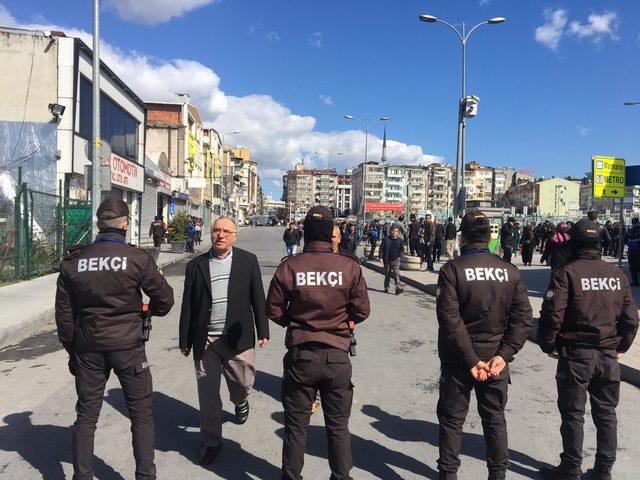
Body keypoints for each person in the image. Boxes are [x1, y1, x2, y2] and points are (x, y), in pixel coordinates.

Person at [55, 198, 175, 480]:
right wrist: (148, 315)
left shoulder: (74, 261)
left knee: (86, 416)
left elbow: (64, 316)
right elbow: (165, 300)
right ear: (125, 224)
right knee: (141, 416)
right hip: (128, 348)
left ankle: (81, 476)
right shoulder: (137, 258)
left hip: (88, 348)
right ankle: (145, 476)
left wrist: (74, 350)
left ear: (98, 224)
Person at [266, 206, 371, 480]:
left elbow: (274, 310)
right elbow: (362, 310)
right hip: (337, 356)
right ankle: (341, 476)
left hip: (301, 355)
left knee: (296, 425)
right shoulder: (349, 266)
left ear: (305, 232)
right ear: (330, 234)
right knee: (338, 426)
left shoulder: (289, 266)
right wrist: (344, 322)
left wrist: (295, 320)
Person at [537, 219, 639, 480]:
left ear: (574, 243)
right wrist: (621, 347)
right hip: (607, 355)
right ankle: (604, 470)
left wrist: (549, 345)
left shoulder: (567, 273)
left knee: (573, 414)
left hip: (576, 356)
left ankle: (571, 469)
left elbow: (552, 315)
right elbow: (631, 319)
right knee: (606, 414)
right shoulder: (617, 274)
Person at [435, 211, 533, 480]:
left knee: (453, 420)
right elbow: (524, 318)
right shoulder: (509, 271)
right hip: (494, 361)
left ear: (462, 237)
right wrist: (505, 354)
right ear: (490, 237)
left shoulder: (452, 270)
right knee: (494, 418)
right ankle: (498, 474)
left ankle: (448, 474)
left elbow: (450, 322)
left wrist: (470, 359)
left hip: (459, 361)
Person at [178, 217, 270, 465]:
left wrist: (263, 329)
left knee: (243, 382)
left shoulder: (247, 261)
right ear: (210, 234)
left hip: (237, 337)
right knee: (208, 394)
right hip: (205, 338)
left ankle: (240, 401)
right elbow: (188, 304)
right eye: (217, 230)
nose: (221, 235)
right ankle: (211, 442)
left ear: (235, 236)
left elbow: (257, 297)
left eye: (226, 231)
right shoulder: (196, 265)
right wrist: (184, 338)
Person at [379, 225, 405, 295]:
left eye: (396, 231)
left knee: (396, 274)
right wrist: (381, 257)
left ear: (397, 232)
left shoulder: (400, 240)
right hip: (387, 260)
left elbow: (402, 250)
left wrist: (400, 256)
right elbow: (381, 249)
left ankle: (398, 288)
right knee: (387, 274)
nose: (394, 232)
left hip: (396, 259)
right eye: (393, 231)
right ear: (390, 231)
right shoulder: (386, 239)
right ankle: (386, 287)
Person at [626, 217, 640, 286]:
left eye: (636, 223)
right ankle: (635, 282)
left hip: (638, 251)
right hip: (631, 251)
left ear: (638, 223)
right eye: (633, 223)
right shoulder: (630, 230)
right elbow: (626, 239)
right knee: (632, 268)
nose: (634, 224)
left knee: (639, 267)